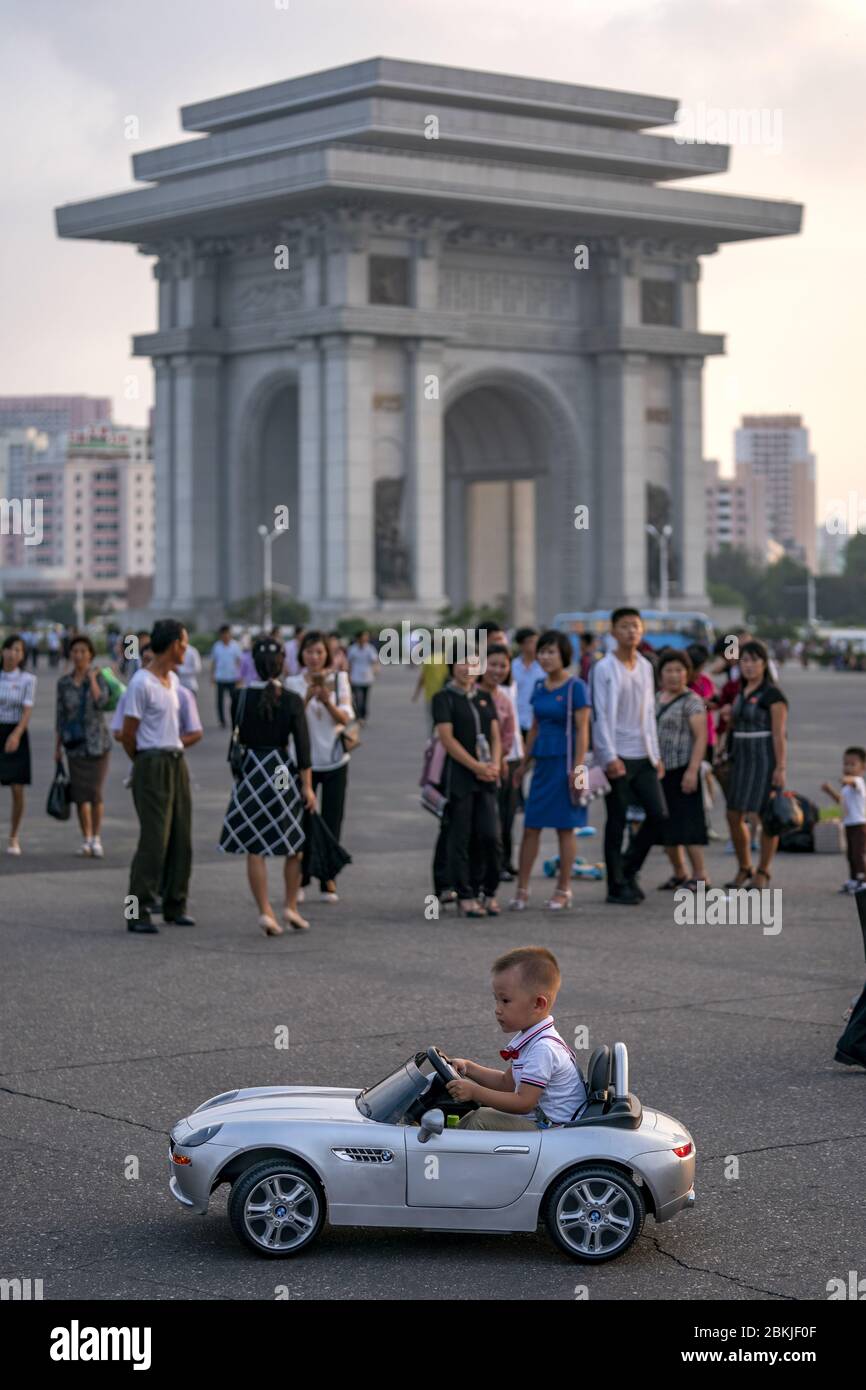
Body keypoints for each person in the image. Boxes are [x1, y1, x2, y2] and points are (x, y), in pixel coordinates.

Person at [219, 637, 316, 935]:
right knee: (293, 840)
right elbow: (302, 748)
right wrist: (308, 787)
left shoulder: (240, 697)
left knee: (254, 845)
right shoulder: (291, 699)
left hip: (251, 769)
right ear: (281, 663)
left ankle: (265, 911)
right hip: (280, 770)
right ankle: (290, 906)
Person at [446, 947, 587, 1130]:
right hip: (542, 1125)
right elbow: (506, 1083)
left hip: (553, 1131)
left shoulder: (543, 1049)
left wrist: (475, 1092)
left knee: (479, 1118)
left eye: (505, 1001)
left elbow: (523, 1103)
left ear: (538, 1004)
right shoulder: (532, 1039)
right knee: (480, 1109)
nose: (497, 1009)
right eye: (496, 1000)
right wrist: (469, 1067)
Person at [121, 620, 202, 933]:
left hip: (175, 760)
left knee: (181, 838)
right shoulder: (141, 683)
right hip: (152, 762)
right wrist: (144, 763)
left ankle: (174, 904)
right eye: (184, 643)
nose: (187, 649)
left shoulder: (172, 680)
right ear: (173, 645)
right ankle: (135, 911)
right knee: (153, 842)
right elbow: (128, 734)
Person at [509, 630, 589, 912]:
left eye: (551, 652)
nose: (545, 657)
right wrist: (524, 763)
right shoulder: (540, 686)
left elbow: (582, 730)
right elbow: (535, 727)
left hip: (565, 764)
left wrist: (579, 768)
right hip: (542, 763)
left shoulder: (576, 687)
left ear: (564, 655)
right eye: (542, 652)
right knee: (531, 827)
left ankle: (563, 889)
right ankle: (522, 888)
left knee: (565, 830)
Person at [592, 607, 666, 906]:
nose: (631, 631)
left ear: (642, 630)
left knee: (659, 816)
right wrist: (608, 756)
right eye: (624, 627)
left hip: (643, 753)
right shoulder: (604, 668)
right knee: (617, 820)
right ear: (613, 632)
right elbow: (600, 715)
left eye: (635, 626)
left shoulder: (647, 666)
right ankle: (616, 885)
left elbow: (649, 713)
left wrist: (656, 754)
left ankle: (627, 868)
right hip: (617, 754)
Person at [628, 648, 709, 892]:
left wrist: (692, 770)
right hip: (658, 771)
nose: (674, 675)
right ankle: (679, 872)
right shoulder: (655, 698)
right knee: (666, 826)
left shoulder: (692, 701)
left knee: (688, 826)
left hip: (683, 770)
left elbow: (701, 738)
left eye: (679, 670)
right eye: (669, 670)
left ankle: (701, 876)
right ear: (660, 674)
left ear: (688, 673)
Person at [285, 630, 354, 902]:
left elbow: (346, 719)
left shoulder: (339, 680)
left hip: (335, 759)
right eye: (309, 652)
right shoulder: (292, 682)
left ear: (327, 654)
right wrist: (306, 698)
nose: (314, 658)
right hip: (302, 762)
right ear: (301, 654)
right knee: (302, 820)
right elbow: (287, 720)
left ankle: (328, 877)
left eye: (319, 652)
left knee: (332, 819)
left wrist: (326, 700)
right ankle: (301, 876)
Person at [432, 656, 500, 918]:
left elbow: (495, 735)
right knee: (459, 836)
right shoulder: (444, 698)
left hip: (486, 777)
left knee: (490, 835)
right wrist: (476, 767)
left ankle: (487, 889)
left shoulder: (484, 697)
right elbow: (447, 739)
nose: (467, 669)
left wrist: (493, 764)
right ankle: (465, 894)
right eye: (461, 663)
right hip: (459, 777)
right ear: (452, 666)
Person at [721, 639, 788, 893]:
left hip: (763, 758)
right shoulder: (740, 691)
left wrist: (780, 767)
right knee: (733, 814)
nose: (749, 666)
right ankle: (744, 866)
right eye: (744, 661)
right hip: (740, 757)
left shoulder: (773, 694)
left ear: (764, 664)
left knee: (764, 815)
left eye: (754, 661)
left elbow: (779, 734)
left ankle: (763, 870)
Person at [54, 634, 112, 858]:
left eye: (83, 651)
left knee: (95, 793)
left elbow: (101, 702)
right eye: (75, 651)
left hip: (98, 744)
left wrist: (93, 679)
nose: (79, 655)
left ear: (90, 655)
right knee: (80, 795)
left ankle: (96, 838)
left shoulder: (100, 677)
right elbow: (60, 716)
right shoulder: (64, 683)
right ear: (70, 654)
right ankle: (86, 838)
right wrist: (57, 748)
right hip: (74, 745)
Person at [478, 643, 524, 881]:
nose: (497, 670)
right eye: (492, 664)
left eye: (503, 665)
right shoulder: (472, 693)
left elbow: (509, 733)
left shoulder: (505, 697)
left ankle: (499, 866)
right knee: (483, 824)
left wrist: (502, 758)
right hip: (475, 767)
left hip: (505, 763)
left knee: (505, 817)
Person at [0, 634, 35, 856]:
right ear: (3, 651)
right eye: (10, 649)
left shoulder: (28, 680)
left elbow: (27, 709)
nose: (13, 653)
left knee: (17, 788)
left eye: (18, 650)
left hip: (16, 732)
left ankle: (13, 835)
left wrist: (16, 734)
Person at [822, 747, 866, 893]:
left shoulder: (858, 782)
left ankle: (863, 880)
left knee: (858, 854)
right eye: (845, 764)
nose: (847, 767)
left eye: (852, 764)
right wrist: (829, 791)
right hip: (849, 823)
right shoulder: (846, 788)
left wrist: (847, 779)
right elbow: (840, 801)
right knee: (851, 854)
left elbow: (853, 781)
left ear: (863, 767)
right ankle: (854, 879)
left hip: (860, 824)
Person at [512, 627, 544, 741]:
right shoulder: (512, 667)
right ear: (521, 645)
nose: (535, 645)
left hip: (538, 722)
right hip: (517, 723)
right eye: (531, 641)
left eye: (537, 641)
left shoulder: (544, 666)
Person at [210, 624, 242, 727]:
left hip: (232, 677)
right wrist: (212, 675)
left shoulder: (235, 646)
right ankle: (222, 720)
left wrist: (239, 676)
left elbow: (239, 661)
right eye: (224, 634)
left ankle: (234, 719)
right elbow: (214, 662)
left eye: (227, 634)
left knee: (234, 700)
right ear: (221, 635)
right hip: (220, 677)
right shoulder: (217, 646)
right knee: (220, 701)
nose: (226, 636)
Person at [346, 629, 378, 723]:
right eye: (364, 637)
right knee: (357, 698)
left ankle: (363, 715)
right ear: (358, 638)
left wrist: (376, 669)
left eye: (367, 637)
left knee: (364, 698)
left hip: (367, 677)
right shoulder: (352, 649)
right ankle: (358, 715)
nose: (365, 639)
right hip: (355, 677)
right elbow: (349, 663)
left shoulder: (370, 648)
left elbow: (374, 660)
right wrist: (348, 675)